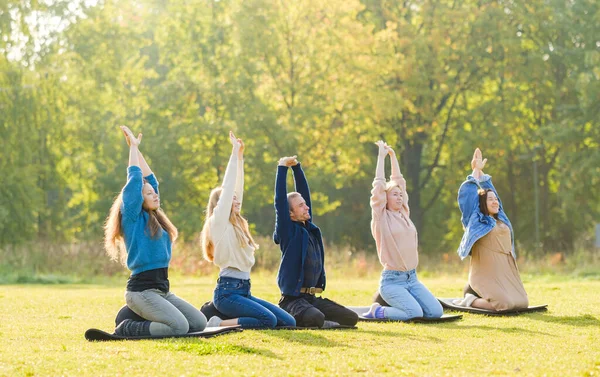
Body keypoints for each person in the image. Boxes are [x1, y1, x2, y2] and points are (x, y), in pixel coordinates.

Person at [104, 126, 207, 336]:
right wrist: (132, 148)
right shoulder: (132, 217)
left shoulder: (154, 218)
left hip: (162, 292)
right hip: (141, 292)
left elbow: (151, 180)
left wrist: (138, 150)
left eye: (154, 193)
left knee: (199, 323)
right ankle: (129, 327)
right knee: (179, 327)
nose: (155, 195)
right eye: (149, 194)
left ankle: (139, 314)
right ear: (138, 199)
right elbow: (134, 181)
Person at [200, 132, 296, 329]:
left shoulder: (236, 224)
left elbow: (236, 189)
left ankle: (219, 316)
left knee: (288, 321)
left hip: (244, 290)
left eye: (236, 199)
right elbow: (228, 187)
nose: (235, 201)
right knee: (268, 321)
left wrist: (241, 158)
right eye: (230, 199)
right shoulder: (218, 224)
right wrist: (233, 153)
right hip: (227, 293)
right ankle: (218, 322)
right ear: (220, 205)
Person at [273, 155, 359, 328]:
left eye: (305, 204)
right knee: (316, 318)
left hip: (312, 299)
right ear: (290, 214)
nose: (307, 207)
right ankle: (305, 319)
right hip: (292, 300)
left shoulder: (309, 229)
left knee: (351, 318)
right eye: (301, 206)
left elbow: (304, 193)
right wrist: (282, 168)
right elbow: (280, 202)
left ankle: (323, 321)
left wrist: (297, 168)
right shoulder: (287, 231)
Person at [363, 141, 443, 320]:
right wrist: (381, 157)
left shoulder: (404, 214)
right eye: (394, 194)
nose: (399, 197)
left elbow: (399, 181)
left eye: (401, 195)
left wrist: (393, 156)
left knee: (435, 312)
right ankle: (378, 311)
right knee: (413, 313)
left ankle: (401, 304)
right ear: (385, 198)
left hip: (412, 279)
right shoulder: (381, 217)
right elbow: (378, 186)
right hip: (392, 281)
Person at [452, 148, 529, 310]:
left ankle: (483, 296)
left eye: (496, 200)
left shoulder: (502, 219)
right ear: (482, 204)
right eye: (490, 200)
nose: (496, 202)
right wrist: (475, 171)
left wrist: (483, 175)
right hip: (485, 274)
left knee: (522, 303)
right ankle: (470, 299)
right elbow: (468, 197)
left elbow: (492, 192)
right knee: (504, 304)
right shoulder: (476, 220)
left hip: (505, 270)